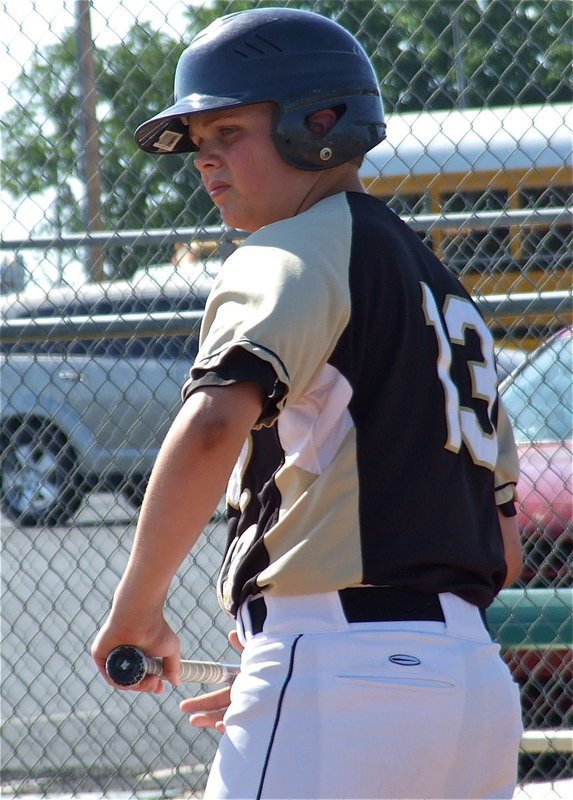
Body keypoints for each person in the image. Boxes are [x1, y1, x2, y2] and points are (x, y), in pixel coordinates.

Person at [92, 8, 523, 799]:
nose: (205, 162)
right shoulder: (440, 288)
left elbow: (216, 420)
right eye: (199, 145)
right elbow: (504, 540)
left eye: (228, 133)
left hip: (337, 673)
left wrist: (138, 610)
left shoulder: (293, 248)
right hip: (472, 692)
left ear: (316, 123)